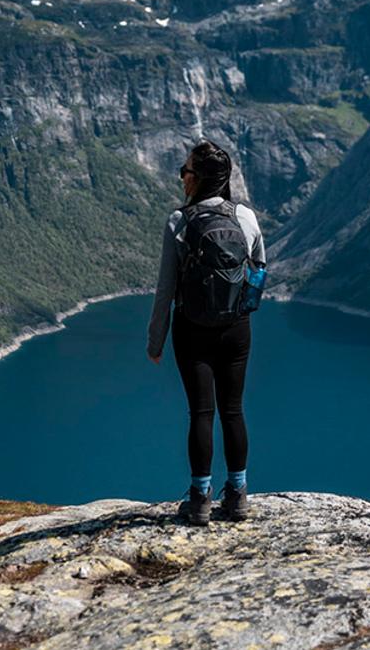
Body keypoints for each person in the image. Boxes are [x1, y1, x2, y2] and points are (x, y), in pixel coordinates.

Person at [147, 139, 265, 526]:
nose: (181, 177)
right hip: (237, 328)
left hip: (191, 329)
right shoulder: (245, 217)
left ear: (197, 179)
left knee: (201, 411)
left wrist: (156, 340)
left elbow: (166, 288)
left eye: (185, 171)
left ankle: (199, 499)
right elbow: (260, 267)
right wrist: (242, 304)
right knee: (234, 410)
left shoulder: (178, 222)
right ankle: (238, 494)